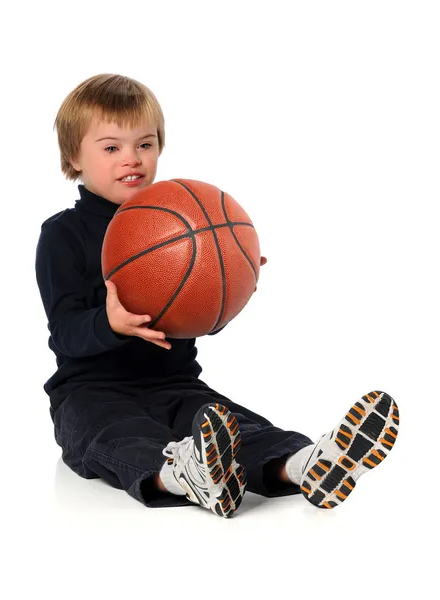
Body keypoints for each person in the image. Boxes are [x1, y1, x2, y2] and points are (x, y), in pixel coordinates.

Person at [35, 73, 399, 518]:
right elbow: (66, 333)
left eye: (145, 145)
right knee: (118, 433)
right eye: (111, 148)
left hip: (174, 381)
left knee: (230, 424)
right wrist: (108, 323)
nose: (132, 158)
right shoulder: (63, 235)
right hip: (90, 391)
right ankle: (181, 474)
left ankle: (306, 464)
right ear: (75, 156)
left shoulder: (184, 222)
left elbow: (193, 318)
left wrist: (229, 285)